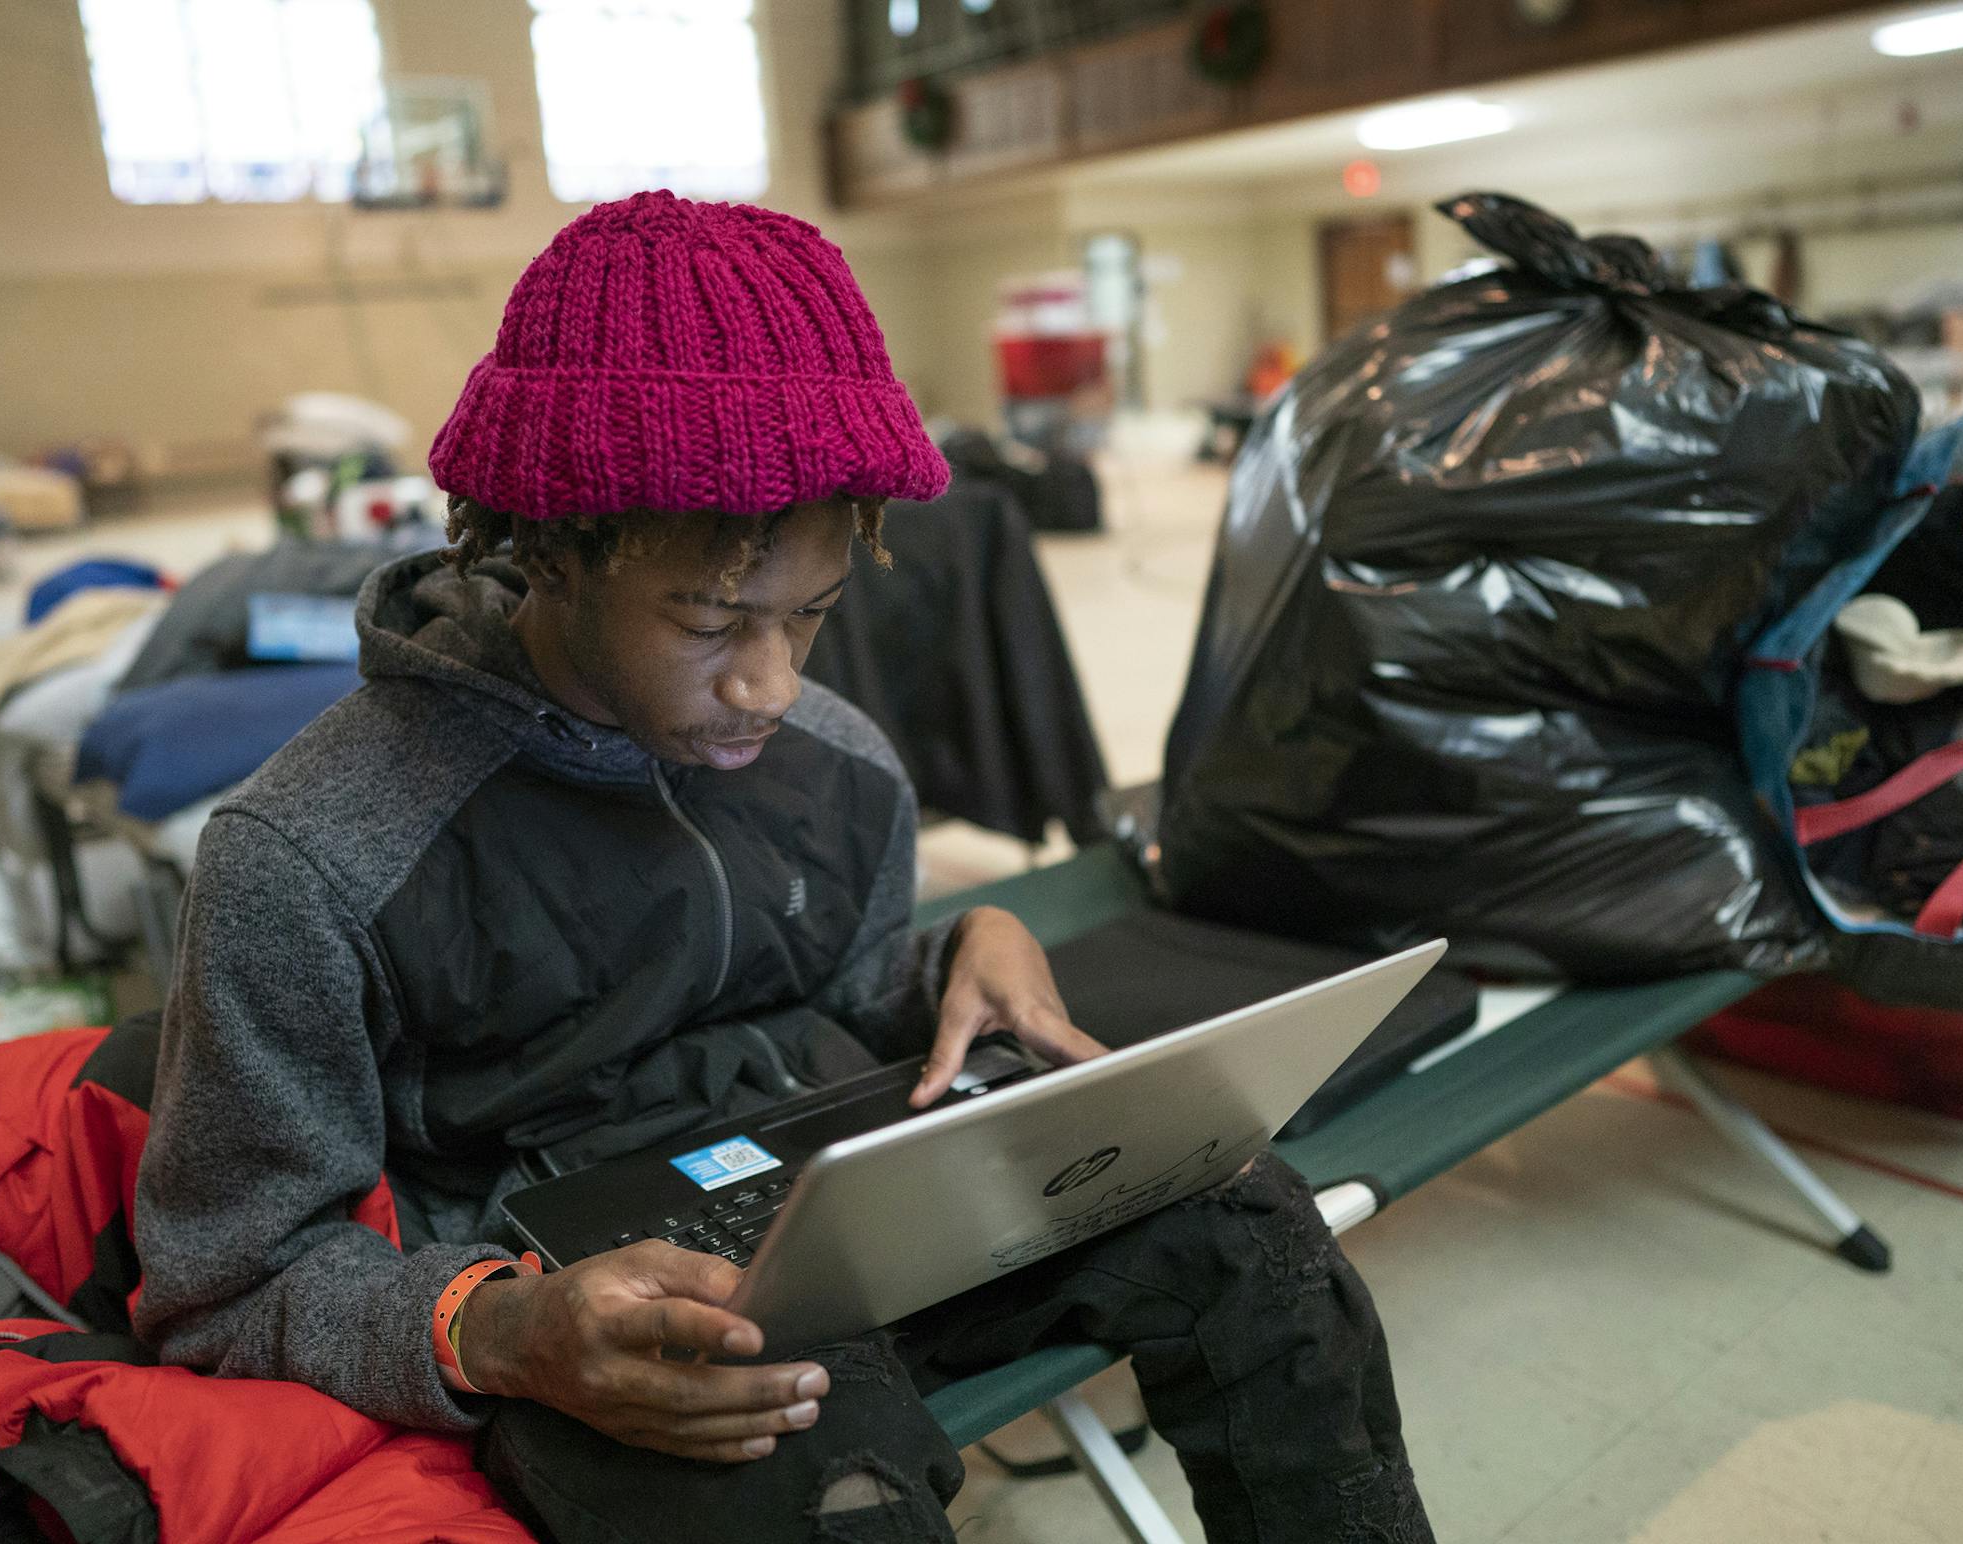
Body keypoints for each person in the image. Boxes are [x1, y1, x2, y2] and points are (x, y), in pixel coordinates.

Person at [132, 191, 1436, 1544]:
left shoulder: (838, 759)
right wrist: (501, 1328)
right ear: (545, 548)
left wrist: (954, 959)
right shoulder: (310, 857)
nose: (769, 684)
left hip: (844, 1208)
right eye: (709, 621)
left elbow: (853, 979)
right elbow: (225, 1280)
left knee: (1253, 1226)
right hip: (591, 1313)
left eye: (808, 616)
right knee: (837, 1497)